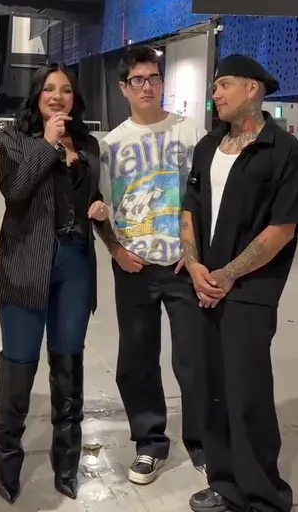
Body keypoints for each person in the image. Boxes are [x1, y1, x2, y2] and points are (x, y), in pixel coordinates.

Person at [179, 55, 298, 512]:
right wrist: (194, 266)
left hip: (251, 291)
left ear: (252, 89)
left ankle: (264, 497)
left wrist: (229, 273)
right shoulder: (208, 146)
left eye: (224, 85)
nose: (215, 93)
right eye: (215, 86)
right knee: (212, 390)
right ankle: (226, 484)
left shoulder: (283, 151)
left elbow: (282, 229)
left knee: (247, 395)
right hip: (204, 287)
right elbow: (189, 209)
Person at [0, 63, 110, 503]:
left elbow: (89, 195)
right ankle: (8, 467)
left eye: (66, 90)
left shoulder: (89, 144)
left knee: (68, 365)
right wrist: (48, 143)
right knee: (19, 365)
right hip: (25, 265)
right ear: (37, 95)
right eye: (49, 89)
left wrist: (99, 208)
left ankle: (67, 465)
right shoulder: (15, 139)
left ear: (76, 98)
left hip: (75, 265)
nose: (58, 97)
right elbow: (15, 190)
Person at [96, 46, 207, 483]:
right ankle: (149, 442)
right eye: (138, 80)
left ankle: (202, 443)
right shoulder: (111, 145)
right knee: (137, 358)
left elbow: (206, 200)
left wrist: (195, 254)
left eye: (154, 78)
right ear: (123, 88)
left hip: (183, 265)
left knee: (195, 359)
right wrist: (116, 251)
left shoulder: (191, 132)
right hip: (134, 266)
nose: (147, 87)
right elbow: (100, 208)